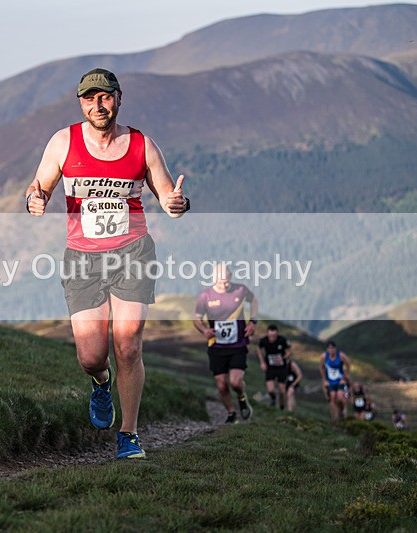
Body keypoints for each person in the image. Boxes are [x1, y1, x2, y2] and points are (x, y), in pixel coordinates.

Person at [25, 68, 189, 459]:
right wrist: (35, 199)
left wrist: (176, 205)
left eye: (105, 97)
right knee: (91, 356)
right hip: (83, 258)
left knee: (128, 343)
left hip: (133, 252)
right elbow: (39, 187)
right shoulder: (63, 142)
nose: (97, 106)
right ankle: (102, 383)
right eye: (89, 99)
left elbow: (169, 198)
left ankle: (128, 435)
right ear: (81, 103)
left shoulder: (141, 145)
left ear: (118, 98)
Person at [193, 264, 259, 424]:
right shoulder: (205, 296)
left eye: (227, 282)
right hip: (216, 346)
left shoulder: (241, 290)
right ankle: (231, 413)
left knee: (235, 381)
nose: (224, 285)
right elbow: (197, 319)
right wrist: (204, 330)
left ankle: (242, 398)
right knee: (222, 384)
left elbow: (254, 301)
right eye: (221, 283)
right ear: (214, 279)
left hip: (238, 344)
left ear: (230, 277)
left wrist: (252, 322)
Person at [257, 324, 292, 409]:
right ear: (268, 334)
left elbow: (290, 350)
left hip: (281, 368)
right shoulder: (263, 341)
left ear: (277, 334)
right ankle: (273, 399)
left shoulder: (283, 340)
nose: (272, 337)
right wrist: (262, 362)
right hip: (270, 368)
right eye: (270, 335)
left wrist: (284, 357)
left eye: (274, 335)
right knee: (271, 389)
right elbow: (258, 348)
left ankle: (281, 407)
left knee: (282, 390)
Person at [319, 341, 351, 421]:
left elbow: (348, 365)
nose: (331, 350)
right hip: (330, 381)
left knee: (340, 397)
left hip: (340, 380)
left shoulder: (341, 355)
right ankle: (335, 417)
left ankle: (343, 410)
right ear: (327, 349)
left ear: (335, 349)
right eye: (329, 348)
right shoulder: (324, 357)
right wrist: (324, 379)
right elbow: (321, 367)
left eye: (332, 348)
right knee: (332, 397)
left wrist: (345, 377)